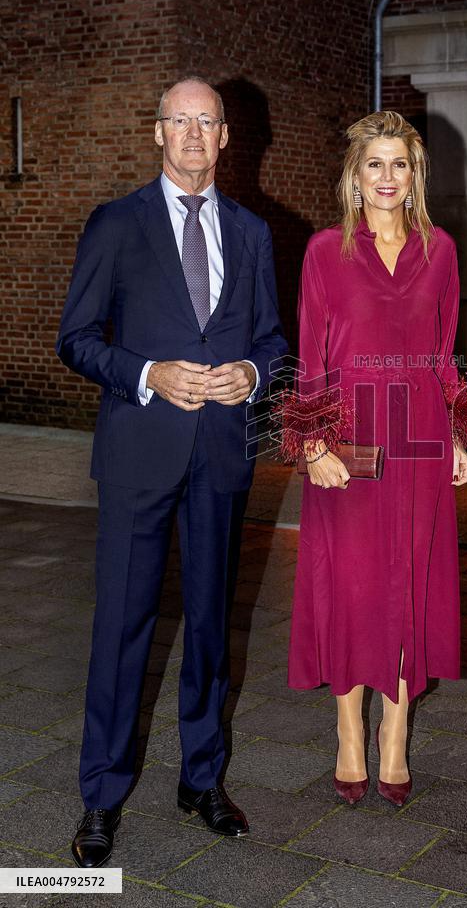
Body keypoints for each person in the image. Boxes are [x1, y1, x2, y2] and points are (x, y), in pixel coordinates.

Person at [57, 77, 288, 866]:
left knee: (213, 631)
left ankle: (201, 779)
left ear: (226, 138)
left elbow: (272, 345)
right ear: (157, 132)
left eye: (207, 122)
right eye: (178, 120)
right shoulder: (117, 224)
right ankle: (101, 794)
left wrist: (251, 380)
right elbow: (77, 338)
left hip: (221, 456)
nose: (193, 134)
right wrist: (148, 372)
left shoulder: (254, 233)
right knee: (121, 625)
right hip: (137, 454)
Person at [278, 111, 467, 807]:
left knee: (409, 587)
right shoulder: (324, 251)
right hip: (349, 443)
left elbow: (442, 354)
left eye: (400, 165)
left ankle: (393, 738)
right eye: (375, 165)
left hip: (417, 442)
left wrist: (455, 432)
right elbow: (310, 359)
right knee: (352, 590)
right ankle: (348, 735)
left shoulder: (443, 251)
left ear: (415, 177)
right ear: (354, 178)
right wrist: (313, 444)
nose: (387, 177)